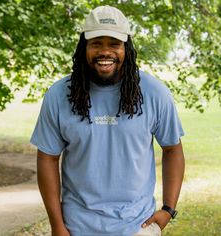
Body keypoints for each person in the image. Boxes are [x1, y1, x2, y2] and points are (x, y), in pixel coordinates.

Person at [30, 5, 185, 236]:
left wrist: (168, 209)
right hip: (77, 227)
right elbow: (47, 159)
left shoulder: (154, 93)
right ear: (84, 47)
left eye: (114, 44)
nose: (105, 52)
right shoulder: (59, 95)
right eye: (96, 43)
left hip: (138, 227)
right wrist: (57, 226)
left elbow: (172, 149)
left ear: (127, 48)